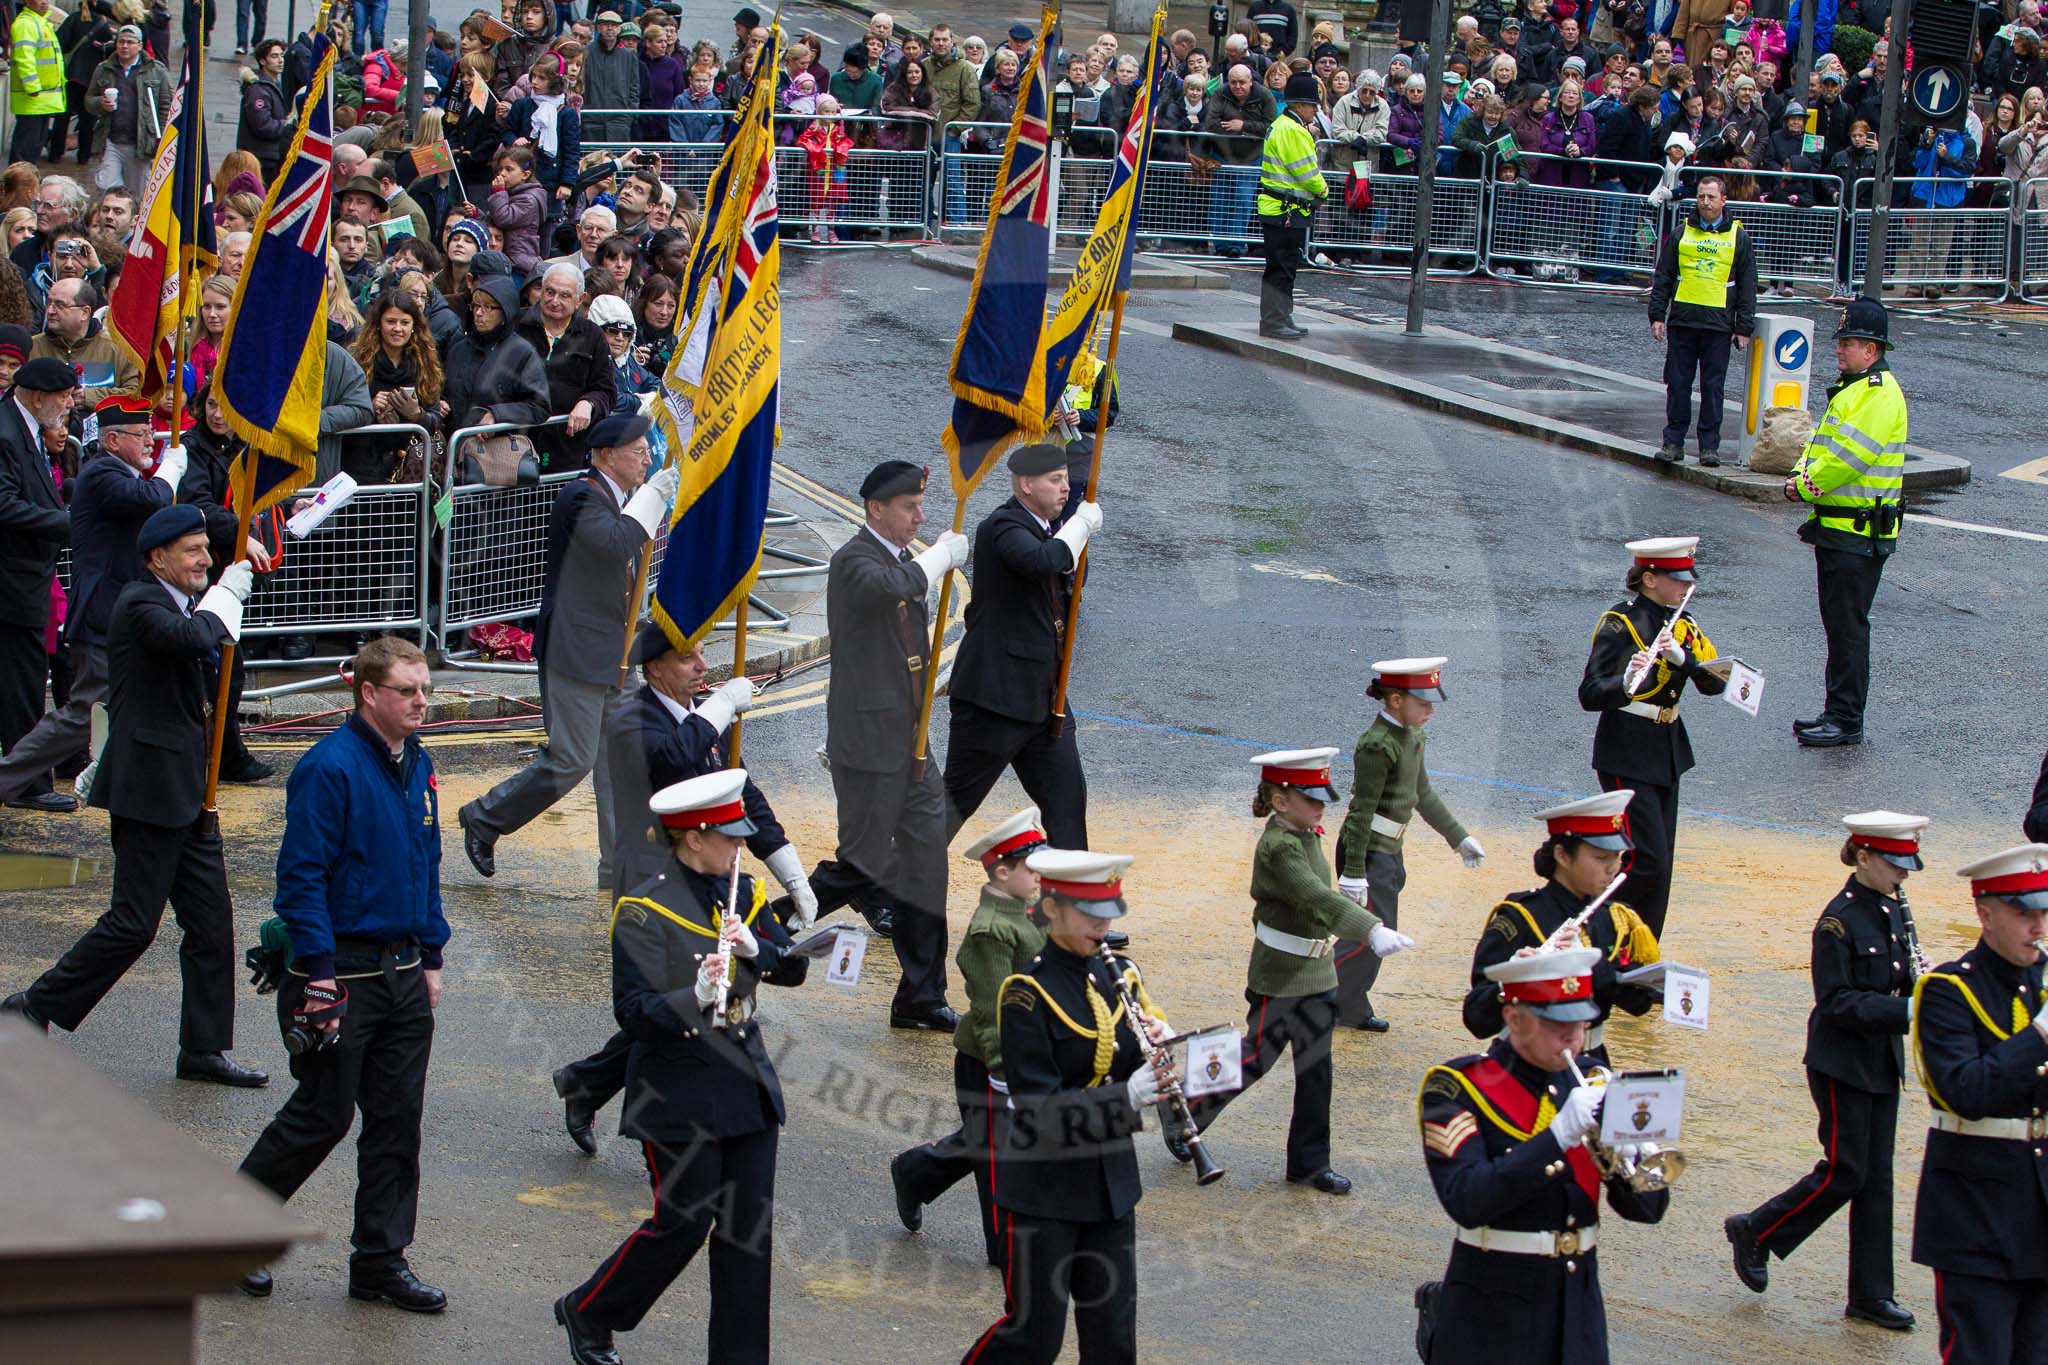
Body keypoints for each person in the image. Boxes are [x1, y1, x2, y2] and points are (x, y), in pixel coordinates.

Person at [0, 503, 266, 1087]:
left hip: (190, 789)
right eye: (191, 551)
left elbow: (208, 655)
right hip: (149, 790)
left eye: (206, 548)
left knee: (211, 925)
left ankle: (203, 1049)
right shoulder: (140, 603)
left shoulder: (185, 602)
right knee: (132, 924)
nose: (203, 558)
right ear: (157, 558)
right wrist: (228, 593)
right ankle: (32, 1007)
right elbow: (191, 640)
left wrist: (247, 551)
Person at [553, 769, 809, 1365]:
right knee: (683, 1223)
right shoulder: (644, 910)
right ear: (693, 838)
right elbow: (634, 1014)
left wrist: (758, 951)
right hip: (677, 1090)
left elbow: (791, 968)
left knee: (748, 1236)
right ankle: (590, 1310)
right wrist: (690, 996)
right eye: (729, 837)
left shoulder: (741, 891)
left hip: (743, 1082)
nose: (741, 847)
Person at [235, 636, 449, 1310]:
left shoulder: (419, 763)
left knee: (396, 1122)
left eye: (426, 689)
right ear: (368, 692)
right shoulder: (327, 768)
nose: (422, 701)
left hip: (403, 970)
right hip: (342, 975)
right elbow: (300, 881)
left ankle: (381, 1262)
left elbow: (427, 862)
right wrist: (319, 977)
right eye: (408, 690)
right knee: (322, 1114)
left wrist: (433, 956)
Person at [550, 622, 817, 1156]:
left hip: (706, 874)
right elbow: (670, 761)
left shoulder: (699, 726)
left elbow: (744, 801)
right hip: (654, 885)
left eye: (703, 655)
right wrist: (717, 712)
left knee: (700, 993)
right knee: (677, 998)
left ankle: (589, 1083)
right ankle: (643, 1106)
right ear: (654, 669)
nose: (702, 667)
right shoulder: (631, 720)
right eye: (687, 658)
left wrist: (792, 873)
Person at [1415, 945, 1671, 1365]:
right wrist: (1557, 1137)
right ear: (1514, 1017)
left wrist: (1634, 1159)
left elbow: (1649, 1209)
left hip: (1578, 1309)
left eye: (1581, 1022)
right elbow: (1467, 1199)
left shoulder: (1591, 1080)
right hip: (1492, 1317)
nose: (1572, 1037)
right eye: (1556, 1024)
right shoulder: (1457, 1087)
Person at [1725, 810, 1925, 1332]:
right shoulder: (1838, 922)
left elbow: (1902, 981)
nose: (1904, 874)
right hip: (1841, 1062)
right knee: (1846, 1171)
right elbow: (1836, 1002)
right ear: (1862, 857)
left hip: (1882, 1059)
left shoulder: (1891, 907)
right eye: (1894, 863)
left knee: (1876, 1179)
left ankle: (1870, 1294)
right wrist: (1904, 1011)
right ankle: (1757, 1229)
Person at [458, 414, 676, 885]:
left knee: (622, 764)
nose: (646, 458)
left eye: (646, 449)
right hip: (576, 652)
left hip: (615, 653)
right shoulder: (581, 497)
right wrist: (656, 495)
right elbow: (616, 544)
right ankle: (485, 816)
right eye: (637, 451)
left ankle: (619, 868)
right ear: (604, 456)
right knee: (572, 759)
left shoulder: (616, 499)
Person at [958, 848, 1157, 1364]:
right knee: (1033, 1337)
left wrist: (1161, 1050)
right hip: (1045, 1190)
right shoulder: (1025, 993)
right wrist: (1125, 1097)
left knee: (1113, 1339)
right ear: (1051, 908)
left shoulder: (1119, 973)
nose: (1104, 923)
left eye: (1109, 910)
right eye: (1090, 912)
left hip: (1110, 1184)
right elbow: (1039, 1108)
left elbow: (1125, 1058)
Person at [1188, 748, 1409, 1194]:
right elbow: (1315, 897)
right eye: (1310, 798)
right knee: (1254, 1058)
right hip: (1282, 975)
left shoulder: (1306, 834)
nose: (1320, 805)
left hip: (1318, 971)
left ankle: (1309, 1163)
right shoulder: (1278, 847)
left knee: (1316, 1071)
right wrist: (1369, 930)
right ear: (1280, 800)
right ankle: (1186, 1107)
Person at [809, 460, 966, 1032]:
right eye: (909, 507)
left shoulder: (900, 560)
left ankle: (921, 995)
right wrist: (938, 559)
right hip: (869, 744)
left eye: (922, 506)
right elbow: (888, 592)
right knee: (862, 868)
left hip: (912, 741)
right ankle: (760, 927)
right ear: (876, 508)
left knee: (927, 866)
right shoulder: (854, 561)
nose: (919, 517)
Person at [1909, 843, 2048, 1362]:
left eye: (2043, 913)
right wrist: (2040, 1035)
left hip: (2039, 1206)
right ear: (1984, 914)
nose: (2038, 927)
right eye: (2023, 914)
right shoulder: (1948, 990)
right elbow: (1966, 1092)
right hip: (1975, 1213)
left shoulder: (2043, 982)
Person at [892, 807, 1047, 1268]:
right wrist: (1005, 1073)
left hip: (1029, 1055)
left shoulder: (1032, 910)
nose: (1042, 873)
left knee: (990, 1141)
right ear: (1003, 870)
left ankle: (915, 1171)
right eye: (1032, 865)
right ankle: (1006, 1249)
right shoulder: (990, 931)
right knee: (998, 1159)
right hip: (990, 1061)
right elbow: (992, 1011)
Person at [0, 394, 171, 809]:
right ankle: (6, 778)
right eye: (141, 434)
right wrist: (171, 473)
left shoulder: (123, 472)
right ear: (111, 440)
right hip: (103, 616)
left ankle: (129, 784)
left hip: (129, 613)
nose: (151, 441)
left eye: (151, 432)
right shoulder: (103, 473)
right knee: (83, 713)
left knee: (139, 705)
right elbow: (151, 500)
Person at [943, 443, 1102, 849]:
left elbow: (1065, 581)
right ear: (1026, 484)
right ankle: (872, 886)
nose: (1066, 488)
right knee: (948, 811)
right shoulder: (1002, 527)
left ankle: (1072, 902)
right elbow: (1041, 561)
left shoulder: (1051, 529)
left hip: (1045, 700)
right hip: (994, 702)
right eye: (1055, 480)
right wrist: (1080, 528)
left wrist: (1073, 533)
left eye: (1066, 478)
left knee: (1067, 806)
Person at [1576, 536, 1726, 938]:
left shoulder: (1684, 624)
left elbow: (1718, 685)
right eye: (1678, 580)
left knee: (1662, 868)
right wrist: (1623, 684)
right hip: (1626, 746)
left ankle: (1640, 956)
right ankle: (1591, 929)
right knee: (1646, 861)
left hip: (1667, 747)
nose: (1686, 588)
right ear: (1650, 579)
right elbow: (1590, 693)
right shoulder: (1621, 622)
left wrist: (1687, 660)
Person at [1333, 658, 1482, 1032]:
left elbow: (1423, 794)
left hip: (1389, 849)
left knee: (1375, 932)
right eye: (1423, 702)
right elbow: (1362, 811)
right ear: (1395, 700)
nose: (1430, 710)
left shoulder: (1413, 736)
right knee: (1366, 934)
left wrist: (1458, 836)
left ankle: (1346, 1003)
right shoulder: (1377, 745)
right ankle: (1318, 995)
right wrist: (1353, 873)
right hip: (1366, 849)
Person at [1784, 300, 1906, 750]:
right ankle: (1837, 712)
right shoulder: (1853, 389)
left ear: (1871, 350)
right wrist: (1801, 472)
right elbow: (1820, 443)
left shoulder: (1877, 393)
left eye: (1849, 342)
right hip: (1840, 529)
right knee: (1839, 627)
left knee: (1848, 629)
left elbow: (1850, 459)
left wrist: (1805, 487)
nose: (1841, 349)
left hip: (1857, 532)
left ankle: (1846, 719)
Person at [1463, 791, 1661, 1067]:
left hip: (1591, 1063)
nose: (1612, 869)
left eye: (1616, 857)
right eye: (1601, 858)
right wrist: (1515, 982)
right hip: (1524, 1064)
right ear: (1562, 856)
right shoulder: (1521, 916)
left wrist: (1594, 966)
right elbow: (1476, 1019)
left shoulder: (1612, 918)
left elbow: (1639, 1004)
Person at [0, 355, 74, 814]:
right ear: (39, 396)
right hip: (11, 581)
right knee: (23, 683)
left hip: (24, 578)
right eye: (64, 397)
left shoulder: (21, 426)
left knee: (22, 681)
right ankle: (27, 782)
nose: (68, 405)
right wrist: (66, 522)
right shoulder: (7, 432)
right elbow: (4, 505)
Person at [1648, 174, 1755, 466]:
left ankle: (1709, 447)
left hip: (1718, 325)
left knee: (1712, 388)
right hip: (1683, 321)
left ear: (1724, 200)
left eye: (1711, 197)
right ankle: (1673, 443)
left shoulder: (1738, 236)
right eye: (1700, 197)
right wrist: (1657, 315)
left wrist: (1743, 327)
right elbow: (1664, 275)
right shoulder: (1682, 232)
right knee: (1678, 384)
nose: (1705, 202)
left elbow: (1748, 285)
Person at [1254, 72, 1328, 339]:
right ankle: (1274, 321)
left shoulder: (1283, 125)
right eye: (1312, 104)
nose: (1315, 109)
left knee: (1283, 267)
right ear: (1297, 105)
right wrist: (1323, 190)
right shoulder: (1294, 131)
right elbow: (1306, 172)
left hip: (1281, 208)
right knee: (1282, 268)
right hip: (1286, 211)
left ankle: (1281, 316)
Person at [86, 23, 170, 201]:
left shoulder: (156, 71)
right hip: (111, 141)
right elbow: (88, 101)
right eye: (121, 41)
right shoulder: (104, 69)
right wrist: (101, 103)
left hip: (140, 145)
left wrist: (160, 136)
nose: (124, 46)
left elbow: (165, 106)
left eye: (130, 42)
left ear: (139, 45)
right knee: (107, 190)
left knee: (137, 195)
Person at [10, 0, 66, 165]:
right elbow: (24, 58)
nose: (44, 2)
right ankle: (18, 186)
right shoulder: (26, 24)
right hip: (33, 99)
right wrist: (32, 87)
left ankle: (27, 184)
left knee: (33, 149)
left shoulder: (40, 22)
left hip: (42, 99)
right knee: (25, 150)